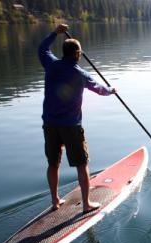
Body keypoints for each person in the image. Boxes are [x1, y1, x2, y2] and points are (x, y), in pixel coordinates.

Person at [38, 24, 116, 213]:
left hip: (49, 124)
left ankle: (55, 200)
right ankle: (86, 204)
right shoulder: (81, 75)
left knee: (52, 164)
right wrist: (111, 90)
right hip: (71, 127)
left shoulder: (51, 64)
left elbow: (42, 49)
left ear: (63, 52)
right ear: (77, 54)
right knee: (82, 164)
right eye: (79, 53)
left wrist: (54, 33)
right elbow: (101, 90)